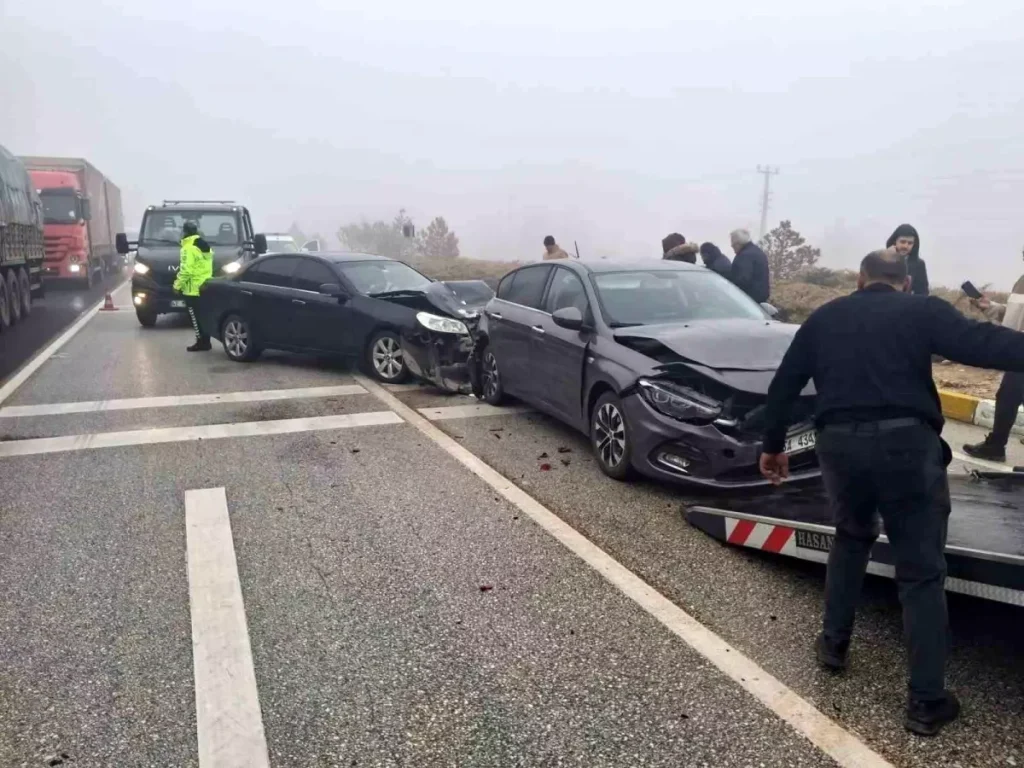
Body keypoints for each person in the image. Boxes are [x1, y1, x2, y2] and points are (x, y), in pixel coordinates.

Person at [758, 248, 1024, 737]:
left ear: (860, 279)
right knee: (920, 573)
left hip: (838, 446)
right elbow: (984, 343)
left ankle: (833, 646)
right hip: (906, 446)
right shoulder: (923, 309)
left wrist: (773, 447)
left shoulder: (824, 317)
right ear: (904, 282)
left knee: (851, 538)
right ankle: (926, 702)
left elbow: (785, 386)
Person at [963, 246, 1024, 461]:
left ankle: (996, 445)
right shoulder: (1021, 281)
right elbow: (1013, 316)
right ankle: (996, 446)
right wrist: (988, 307)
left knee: (1009, 394)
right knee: (1008, 395)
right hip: (1018, 351)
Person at [174, 221, 214, 352]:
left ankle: (201, 342)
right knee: (203, 316)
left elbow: (186, 270)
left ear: (185, 232)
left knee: (194, 317)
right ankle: (206, 341)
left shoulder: (188, 248)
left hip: (193, 289)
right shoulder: (203, 244)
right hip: (205, 286)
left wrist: (177, 285)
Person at [729, 228, 770, 303]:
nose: (732, 246)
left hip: (747, 300)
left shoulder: (745, 256)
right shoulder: (758, 252)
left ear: (738, 243)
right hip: (759, 300)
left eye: (733, 244)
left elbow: (742, 280)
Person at [886, 224, 929, 296]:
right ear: (895, 241)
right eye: (902, 242)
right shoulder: (880, 260)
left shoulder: (919, 264)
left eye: (910, 243)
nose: (905, 246)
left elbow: (923, 293)